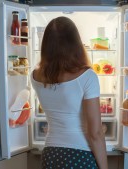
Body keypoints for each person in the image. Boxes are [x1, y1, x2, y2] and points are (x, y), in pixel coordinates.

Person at [31, 16, 108, 169]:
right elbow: (95, 133)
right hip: (79, 154)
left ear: (46, 45)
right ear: (76, 44)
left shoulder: (35, 76)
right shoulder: (88, 77)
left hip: (50, 154)